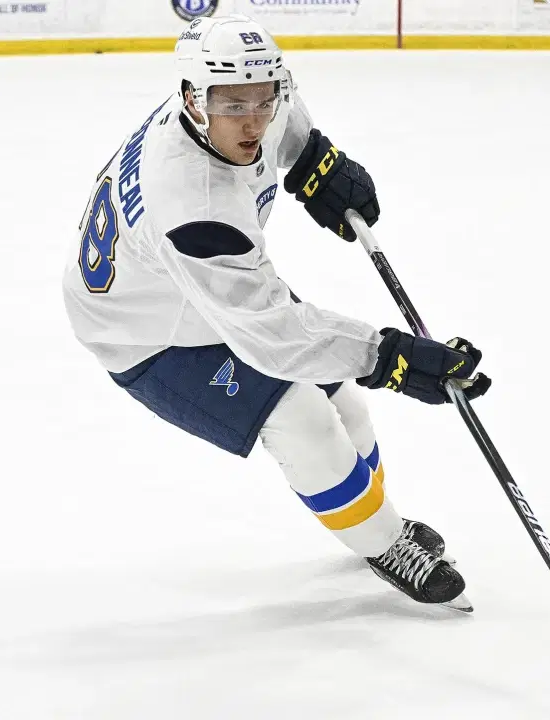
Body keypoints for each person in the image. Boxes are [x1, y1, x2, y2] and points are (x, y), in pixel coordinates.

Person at [61, 14, 491, 612]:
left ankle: (376, 519)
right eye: (234, 104)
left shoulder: (238, 97)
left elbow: (284, 125)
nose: (254, 119)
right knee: (304, 419)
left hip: (190, 287)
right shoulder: (194, 204)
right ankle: (386, 543)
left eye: (264, 100)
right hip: (144, 331)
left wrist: (317, 161)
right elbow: (276, 340)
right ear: (193, 98)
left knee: (346, 402)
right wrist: (392, 357)